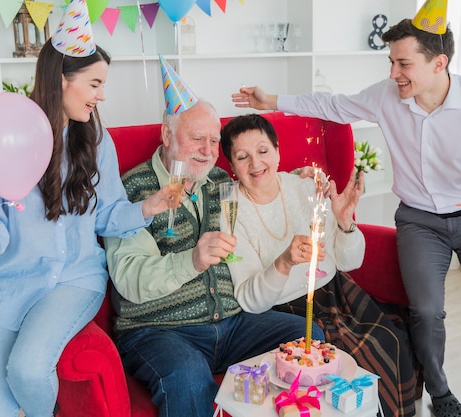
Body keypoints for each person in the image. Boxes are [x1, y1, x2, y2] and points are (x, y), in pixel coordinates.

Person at [230, 4, 461, 417]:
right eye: (391, 62)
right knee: (428, 311)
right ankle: (441, 394)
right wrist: (270, 98)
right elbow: (333, 105)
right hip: (419, 221)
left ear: (439, 63)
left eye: (403, 63)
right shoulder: (386, 97)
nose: (394, 73)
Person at [0, 4, 177, 415]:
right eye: (95, 83)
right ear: (61, 80)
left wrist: (148, 206)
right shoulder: (3, 133)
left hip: (76, 281)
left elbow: (107, 217)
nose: (103, 95)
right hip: (11, 285)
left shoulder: (97, 142)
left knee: (29, 371)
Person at [103, 99, 323, 417]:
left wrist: (302, 183)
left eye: (214, 140)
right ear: (166, 134)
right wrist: (192, 260)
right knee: (187, 373)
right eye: (197, 138)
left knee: (306, 339)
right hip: (159, 330)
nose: (207, 150)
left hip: (231, 325)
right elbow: (129, 279)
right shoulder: (133, 191)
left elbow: (262, 183)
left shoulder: (220, 182)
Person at [220, 113, 419, 417]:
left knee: (389, 337)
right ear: (232, 167)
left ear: (277, 150)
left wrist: (345, 223)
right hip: (283, 309)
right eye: (242, 157)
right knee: (348, 359)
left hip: (334, 292)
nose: (255, 164)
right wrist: (284, 262)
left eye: (263, 151)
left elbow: (347, 261)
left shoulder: (304, 187)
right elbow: (250, 300)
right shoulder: (231, 210)